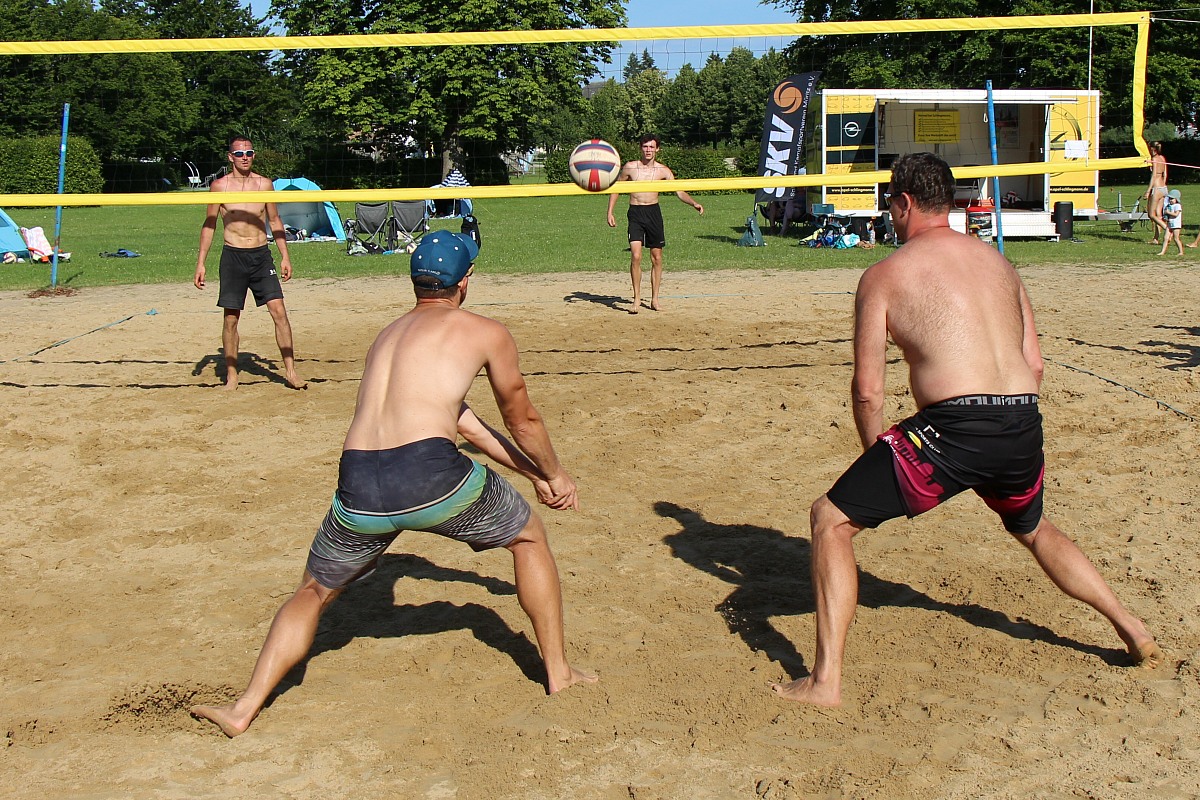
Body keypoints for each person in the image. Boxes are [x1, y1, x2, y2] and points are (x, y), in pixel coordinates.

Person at [771, 152, 1163, 708]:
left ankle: (825, 681)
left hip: (953, 430)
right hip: (1021, 421)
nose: (889, 215)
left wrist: (877, 455)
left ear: (904, 202)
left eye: (890, 204)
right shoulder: (1000, 265)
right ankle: (1132, 627)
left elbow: (868, 390)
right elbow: (1035, 364)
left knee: (829, 520)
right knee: (1034, 528)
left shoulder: (884, 275)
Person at [191, 231, 595, 737]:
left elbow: (468, 426)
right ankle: (559, 672)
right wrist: (554, 475)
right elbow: (523, 420)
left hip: (359, 480)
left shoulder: (387, 336)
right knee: (528, 537)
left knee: (313, 591)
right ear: (465, 281)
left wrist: (533, 475)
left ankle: (243, 708)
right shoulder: (484, 331)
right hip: (430, 473)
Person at [194, 136, 306, 390]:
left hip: (261, 255)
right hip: (233, 256)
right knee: (231, 318)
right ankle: (232, 375)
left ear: (254, 155)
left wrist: (285, 255)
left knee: (279, 311)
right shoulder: (219, 186)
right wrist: (201, 263)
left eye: (249, 153)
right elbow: (209, 225)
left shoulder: (264, 184)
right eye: (239, 154)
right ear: (230, 157)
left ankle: (291, 372)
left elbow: (274, 220)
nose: (244, 158)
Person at [606, 133, 704, 313]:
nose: (648, 150)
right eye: (645, 146)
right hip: (635, 213)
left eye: (651, 147)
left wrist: (694, 203)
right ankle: (636, 299)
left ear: (657, 149)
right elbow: (616, 189)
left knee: (656, 257)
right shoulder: (630, 167)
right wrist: (610, 211)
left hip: (653, 213)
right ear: (640, 148)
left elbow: (679, 191)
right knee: (636, 256)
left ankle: (655, 299)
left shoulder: (663, 171)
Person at [1144, 141, 1168, 246]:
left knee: (1151, 214)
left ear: (1152, 149)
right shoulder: (1162, 158)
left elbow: (1154, 176)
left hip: (1157, 188)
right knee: (1158, 215)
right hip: (1163, 188)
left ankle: (1168, 229)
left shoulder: (1154, 159)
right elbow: (1165, 174)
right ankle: (1156, 238)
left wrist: (1148, 191)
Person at [1158, 189, 1183, 256]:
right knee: (1165, 238)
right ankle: (1162, 252)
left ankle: (1181, 252)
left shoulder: (1177, 206)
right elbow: (1167, 214)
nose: (1170, 200)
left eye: (1172, 199)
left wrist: (1168, 212)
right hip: (1169, 224)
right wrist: (1165, 216)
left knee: (1176, 238)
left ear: (1176, 199)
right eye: (1169, 198)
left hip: (1176, 224)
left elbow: (1176, 214)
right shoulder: (1169, 205)